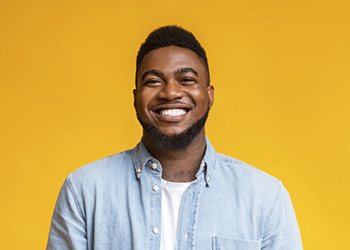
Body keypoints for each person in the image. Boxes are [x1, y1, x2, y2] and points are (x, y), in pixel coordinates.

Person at [47, 25, 302, 250]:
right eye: (154, 81)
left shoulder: (265, 198)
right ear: (136, 98)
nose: (170, 92)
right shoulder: (84, 191)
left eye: (187, 79)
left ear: (209, 95)